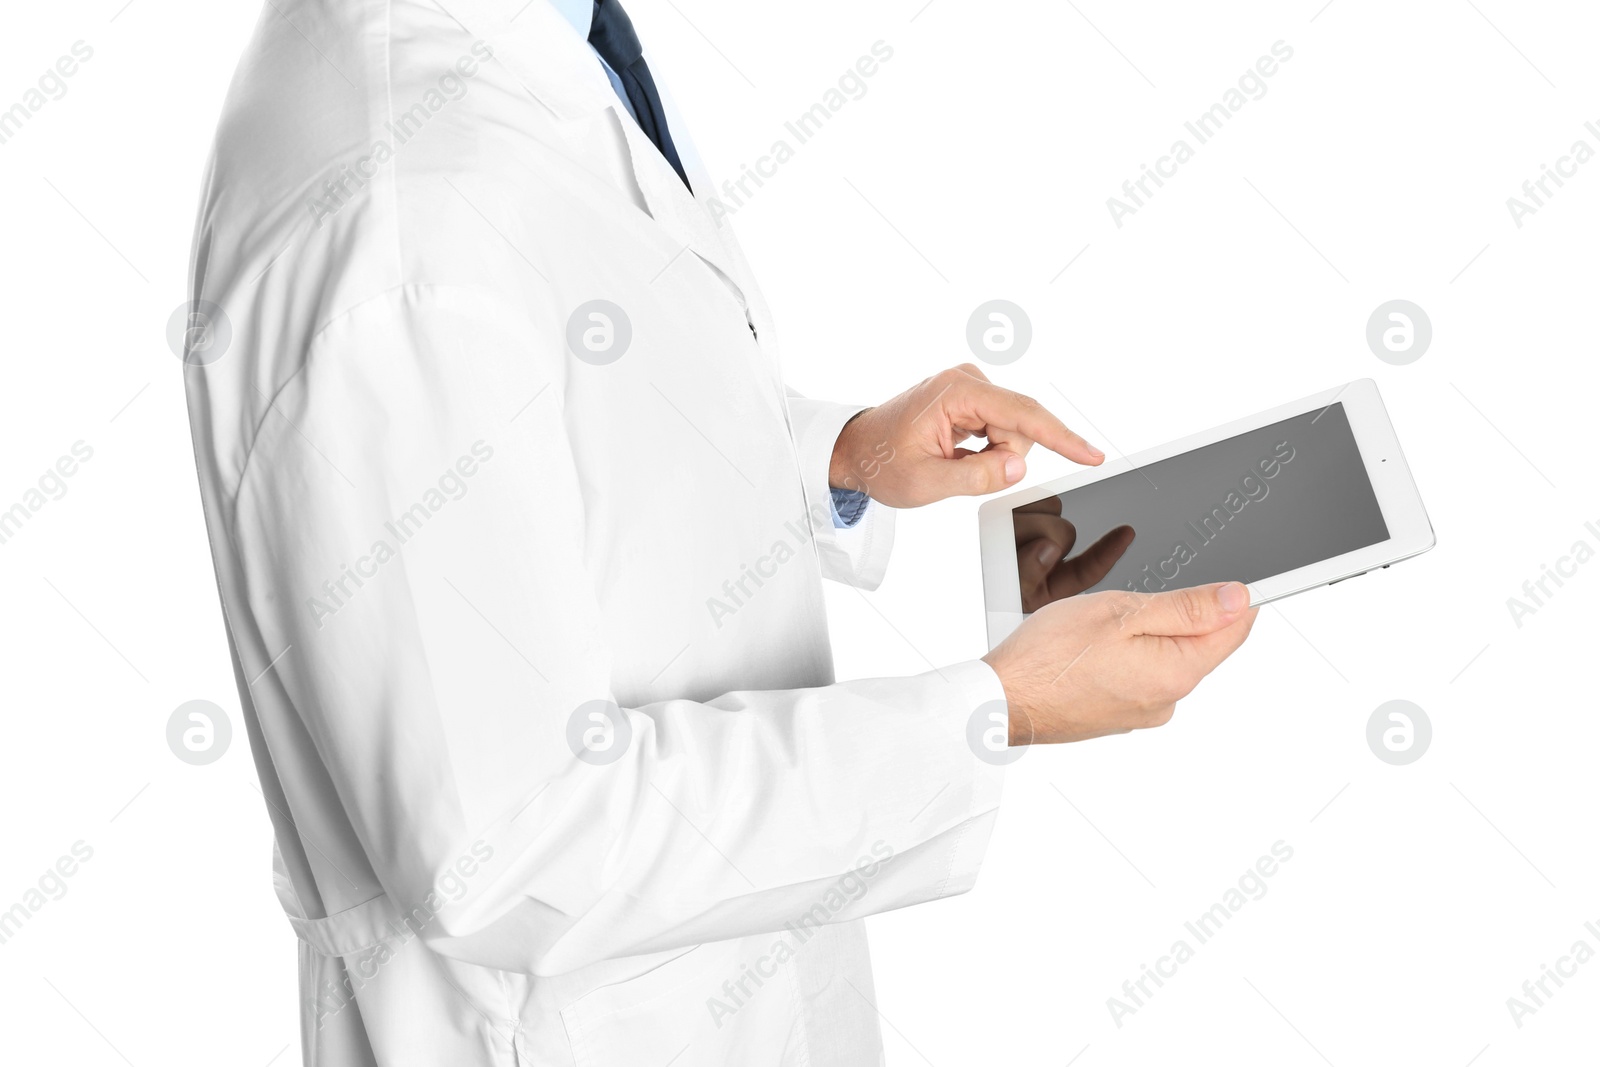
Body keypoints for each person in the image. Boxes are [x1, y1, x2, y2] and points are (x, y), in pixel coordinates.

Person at [179, 1, 1258, 1063]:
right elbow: (509, 848)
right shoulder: (400, 217)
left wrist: (838, 462)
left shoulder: (543, 48)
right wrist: (991, 710)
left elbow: (539, 447)